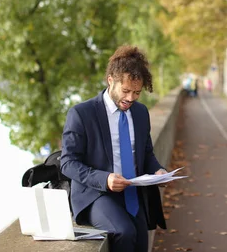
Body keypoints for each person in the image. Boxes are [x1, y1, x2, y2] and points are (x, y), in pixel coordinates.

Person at [60, 45, 167, 252]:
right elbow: (68, 163)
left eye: (137, 93)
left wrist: (158, 171)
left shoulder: (141, 113)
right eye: (125, 91)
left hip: (132, 192)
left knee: (141, 240)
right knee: (124, 232)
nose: (130, 98)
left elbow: (146, 153)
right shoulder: (82, 114)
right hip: (97, 194)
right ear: (111, 81)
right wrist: (104, 179)